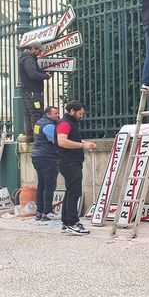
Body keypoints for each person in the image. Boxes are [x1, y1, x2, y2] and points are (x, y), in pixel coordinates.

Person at [55, 100, 96, 235]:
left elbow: (72, 140)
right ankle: (72, 222)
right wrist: (82, 145)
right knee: (74, 192)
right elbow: (62, 141)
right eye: (80, 113)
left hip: (70, 162)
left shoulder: (70, 123)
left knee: (70, 191)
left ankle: (66, 221)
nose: (81, 116)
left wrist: (85, 143)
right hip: (69, 162)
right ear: (72, 111)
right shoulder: (65, 123)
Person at [18, 41, 51, 142]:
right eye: (39, 50)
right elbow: (33, 74)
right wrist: (46, 76)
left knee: (30, 112)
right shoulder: (28, 59)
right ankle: (37, 136)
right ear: (33, 49)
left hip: (29, 91)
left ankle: (29, 136)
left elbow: (34, 72)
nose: (40, 53)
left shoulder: (26, 58)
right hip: (33, 92)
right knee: (36, 113)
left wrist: (43, 73)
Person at [32, 106, 60, 221]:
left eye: (58, 113)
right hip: (47, 157)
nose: (58, 115)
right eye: (55, 113)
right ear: (48, 114)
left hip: (37, 156)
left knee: (41, 185)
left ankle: (39, 211)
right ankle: (47, 212)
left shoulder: (39, 123)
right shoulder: (49, 125)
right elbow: (56, 141)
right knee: (49, 185)